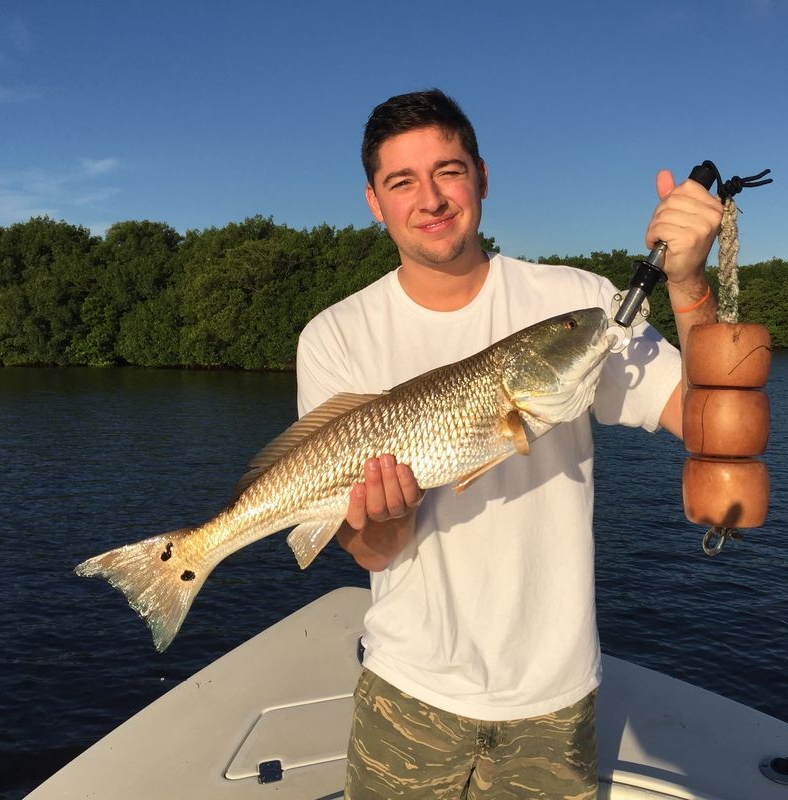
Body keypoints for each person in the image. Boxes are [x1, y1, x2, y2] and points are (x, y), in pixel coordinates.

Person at [295, 88, 722, 799]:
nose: (429, 198)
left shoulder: (574, 306)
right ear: (374, 201)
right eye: (402, 181)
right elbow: (371, 551)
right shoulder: (336, 335)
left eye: (448, 170)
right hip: (407, 690)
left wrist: (687, 283)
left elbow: (714, 428)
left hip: (553, 702)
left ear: (482, 177)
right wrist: (387, 513)